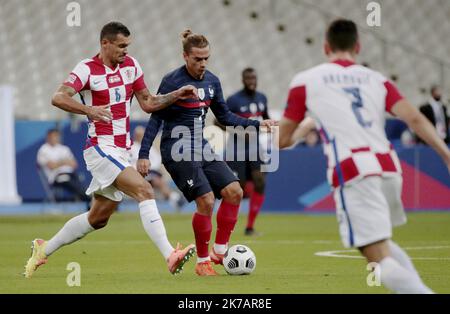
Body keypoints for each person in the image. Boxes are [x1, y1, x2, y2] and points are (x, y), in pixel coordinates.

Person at [279, 19, 450, 294]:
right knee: (381, 244)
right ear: (358, 47)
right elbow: (415, 118)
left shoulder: (306, 81)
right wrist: (446, 155)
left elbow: (283, 140)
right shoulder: (377, 79)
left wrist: (308, 124)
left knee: (378, 258)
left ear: (325, 47)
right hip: (389, 168)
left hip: (355, 171)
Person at [24, 22, 198, 278]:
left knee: (98, 218)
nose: (126, 51)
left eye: (128, 46)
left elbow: (148, 102)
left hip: (121, 150)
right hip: (100, 148)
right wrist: (89, 110)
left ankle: (43, 248)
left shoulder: (131, 66)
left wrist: (176, 94)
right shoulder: (87, 69)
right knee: (144, 189)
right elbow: (58, 97)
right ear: (105, 43)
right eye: (121, 46)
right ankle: (170, 255)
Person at [137, 30, 276, 276]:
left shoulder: (212, 81)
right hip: (177, 149)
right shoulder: (172, 81)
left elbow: (225, 116)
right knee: (207, 200)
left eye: (205, 58)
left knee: (235, 192)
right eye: (197, 59)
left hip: (201, 146)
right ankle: (203, 262)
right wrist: (144, 153)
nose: (202, 64)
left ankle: (219, 252)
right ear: (185, 57)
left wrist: (257, 124)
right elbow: (155, 117)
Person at [223, 68, 270, 236]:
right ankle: (227, 225)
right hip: (236, 149)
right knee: (239, 188)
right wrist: (240, 132)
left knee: (260, 182)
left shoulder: (262, 98)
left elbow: (266, 119)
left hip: (255, 148)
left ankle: (250, 227)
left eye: (253, 78)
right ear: (243, 80)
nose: (251, 81)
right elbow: (218, 121)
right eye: (248, 78)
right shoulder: (234, 100)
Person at [129, 126, 186, 211]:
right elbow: (130, 162)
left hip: (150, 172)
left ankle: (174, 199)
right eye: (139, 135)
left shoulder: (148, 148)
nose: (141, 137)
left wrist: (148, 167)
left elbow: (157, 159)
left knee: (158, 181)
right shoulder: (131, 148)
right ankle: (174, 198)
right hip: (136, 174)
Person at [37, 129, 90, 206]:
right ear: (48, 137)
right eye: (54, 136)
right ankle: (88, 198)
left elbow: (74, 164)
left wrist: (59, 163)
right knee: (67, 180)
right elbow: (52, 166)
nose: (56, 138)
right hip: (55, 176)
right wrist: (64, 162)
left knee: (77, 180)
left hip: (71, 173)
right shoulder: (43, 150)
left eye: (57, 136)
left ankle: (88, 198)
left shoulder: (64, 148)